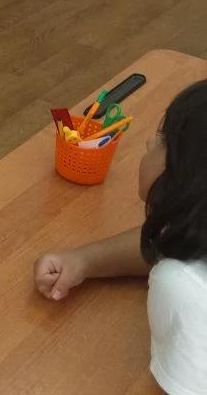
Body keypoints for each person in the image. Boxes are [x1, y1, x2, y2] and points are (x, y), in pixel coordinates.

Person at [33, 80, 207, 394]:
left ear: (188, 176)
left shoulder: (183, 287)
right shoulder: (195, 234)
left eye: (163, 140)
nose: (149, 145)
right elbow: (172, 241)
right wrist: (83, 261)